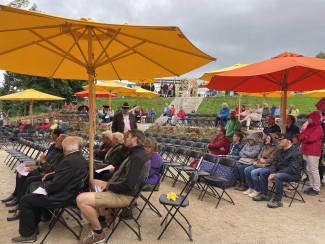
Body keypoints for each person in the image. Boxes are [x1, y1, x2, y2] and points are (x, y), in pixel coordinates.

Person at [76, 130, 150, 244]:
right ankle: (102, 219)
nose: (125, 139)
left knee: (81, 199)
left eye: (127, 137)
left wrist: (109, 186)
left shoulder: (137, 158)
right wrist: (108, 184)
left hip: (125, 196)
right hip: (122, 191)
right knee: (93, 182)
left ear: (135, 139)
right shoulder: (137, 154)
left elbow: (129, 185)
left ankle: (98, 234)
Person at [11, 136, 88, 243]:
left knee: (25, 200)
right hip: (70, 194)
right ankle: (33, 226)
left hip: (62, 197)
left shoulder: (69, 161)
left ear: (65, 148)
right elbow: (66, 176)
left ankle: (28, 235)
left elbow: (55, 186)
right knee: (34, 196)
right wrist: (53, 176)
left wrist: (44, 187)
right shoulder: (80, 158)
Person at [252, 134, 302, 208]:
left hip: (293, 174)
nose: (279, 141)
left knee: (278, 176)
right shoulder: (280, 151)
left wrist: (275, 173)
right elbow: (274, 164)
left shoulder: (296, 153)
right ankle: (264, 194)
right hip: (280, 171)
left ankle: (277, 200)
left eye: (281, 140)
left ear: (288, 141)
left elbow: (292, 168)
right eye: (278, 140)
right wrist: (272, 172)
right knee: (264, 171)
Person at [243, 133, 279, 197]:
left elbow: (273, 159)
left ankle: (257, 190)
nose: (266, 139)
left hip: (269, 165)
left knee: (254, 172)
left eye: (268, 138)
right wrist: (258, 160)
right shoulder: (265, 146)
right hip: (260, 163)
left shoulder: (276, 148)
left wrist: (265, 161)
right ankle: (251, 187)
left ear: (272, 139)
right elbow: (259, 155)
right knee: (247, 170)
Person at [299, 111, 323, 196]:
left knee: (313, 170)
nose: (308, 119)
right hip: (306, 150)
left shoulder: (319, 128)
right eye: (308, 118)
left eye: (310, 118)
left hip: (313, 151)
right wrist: (305, 137)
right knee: (308, 169)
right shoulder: (309, 127)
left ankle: (316, 188)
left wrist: (305, 137)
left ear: (314, 119)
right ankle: (312, 186)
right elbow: (300, 136)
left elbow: (311, 139)